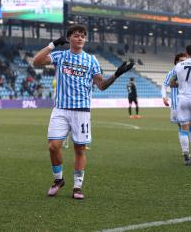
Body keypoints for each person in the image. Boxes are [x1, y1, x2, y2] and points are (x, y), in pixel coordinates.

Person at [33, 24, 133, 199]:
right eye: (76, 35)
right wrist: (53, 44)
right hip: (61, 109)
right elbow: (36, 61)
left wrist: (116, 74)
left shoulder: (91, 60)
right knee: (53, 146)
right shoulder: (61, 56)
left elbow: (101, 86)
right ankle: (58, 180)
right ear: (69, 38)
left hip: (81, 111)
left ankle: (77, 187)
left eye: (83, 36)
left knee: (80, 149)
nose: (80, 38)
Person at [162, 53, 191, 165]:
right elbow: (164, 85)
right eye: (181, 60)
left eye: (185, 60)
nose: (183, 62)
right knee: (183, 127)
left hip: (188, 103)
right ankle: (186, 152)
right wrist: (164, 97)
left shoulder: (189, 71)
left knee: (190, 126)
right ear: (176, 61)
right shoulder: (173, 72)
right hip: (176, 105)